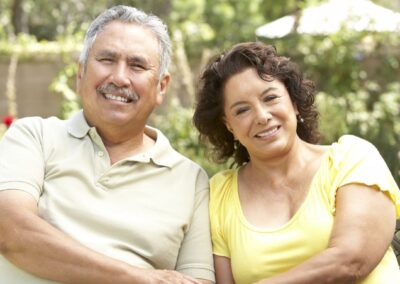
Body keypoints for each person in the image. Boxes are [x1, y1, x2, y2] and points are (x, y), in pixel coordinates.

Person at [0, 5, 215, 284]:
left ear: (161, 87)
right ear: (81, 73)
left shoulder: (190, 180)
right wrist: (139, 278)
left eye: (137, 65)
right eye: (107, 59)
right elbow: (10, 231)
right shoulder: (35, 136)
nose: (119, 77)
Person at [193, 41, 400, 284]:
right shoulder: (220, 193)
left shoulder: (351, 159)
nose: (262, 116)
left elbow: (351, 261)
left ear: (293, 102)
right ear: (229, 126)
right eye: (242, 110)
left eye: (270, 98)